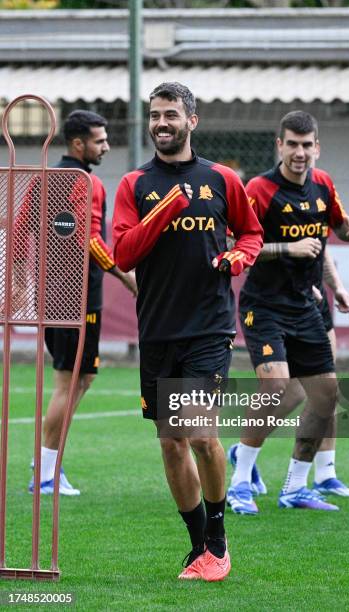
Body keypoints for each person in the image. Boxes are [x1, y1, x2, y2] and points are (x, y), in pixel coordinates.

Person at [112, 82, 263, 581]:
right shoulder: (134, 184)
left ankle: (218, 542)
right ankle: (200, 546)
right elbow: (124, 255)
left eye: (171, 114)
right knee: (171, 442)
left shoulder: (221, 179)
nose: (161, 123)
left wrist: (242, 255)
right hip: (157, 329)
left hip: (209, 327)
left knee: (199, 433)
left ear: (192, 120)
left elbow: (251, 231)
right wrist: (164, 210)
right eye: (154, 115)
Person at [225, 110, 349, 515]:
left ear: (317, 147)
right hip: (264, 306)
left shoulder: (323, 185)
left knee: (326, 395)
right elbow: (237, 243)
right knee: (276, 388)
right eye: (292, 144)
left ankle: (295, 486)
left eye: (307, 145)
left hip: (307, 304)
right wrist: (287, 248)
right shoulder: (259, 189)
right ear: (280, 146)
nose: (300, 152)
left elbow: (336, 228)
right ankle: (239, 484)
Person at [24, 110, 137, 495]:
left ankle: (46, 463)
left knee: (78, 379)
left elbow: (21, 228)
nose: (105, 146)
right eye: (100, 140)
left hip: (51, 294)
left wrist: (24, 282)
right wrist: (125, 275)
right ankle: (43, 473)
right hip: (77, 297)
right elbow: (90, 240)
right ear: (78, 144)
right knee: (69, 383)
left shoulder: (43, 179)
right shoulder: (83, 182)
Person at [227, 248, 349, 512]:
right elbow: (244, 244)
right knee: (288, 389)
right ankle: (242, 459)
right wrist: (287, 248)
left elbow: (320, 247)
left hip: (312, 298)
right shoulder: (265, 207)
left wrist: (337, 287)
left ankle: (323, 473)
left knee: (326, 388)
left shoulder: (324, 206)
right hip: (276, 300)